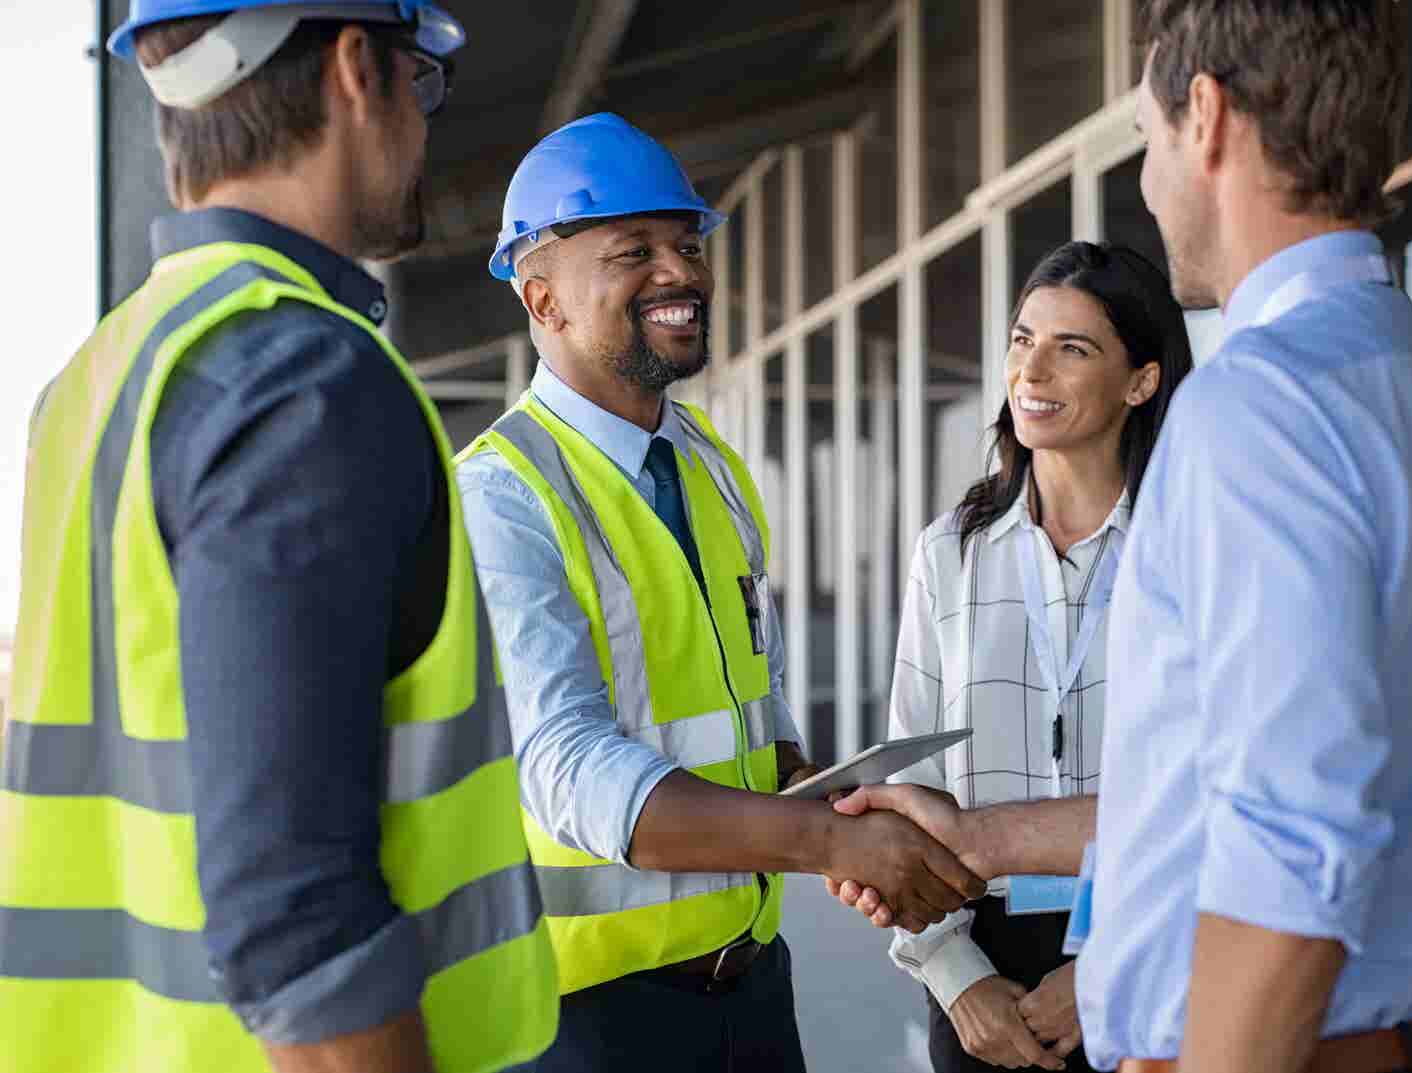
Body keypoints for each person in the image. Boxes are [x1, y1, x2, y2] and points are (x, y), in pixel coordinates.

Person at [840, 2, 1412, 1071]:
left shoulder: (1260, 408)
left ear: (1206, 116)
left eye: (1146, 138)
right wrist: (982, 840)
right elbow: (1225, 783)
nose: (1148, 179)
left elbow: (1289, 842)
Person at [0, 3, 559, 1072]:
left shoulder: (98, 374)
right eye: (420, 81)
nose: (424, 125)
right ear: (357, 68)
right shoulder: (302, 379)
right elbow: (300, 927)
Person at [455, 112, 986, 1073]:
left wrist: (830, 799)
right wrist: (824, 844)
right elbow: (569, 771)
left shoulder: (709, 466)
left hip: (750, 989)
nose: (681, 272)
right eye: (634, 251)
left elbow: (753, 707)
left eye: (687, 244)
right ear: (543, 298)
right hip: (585, 1024)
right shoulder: (501, 495)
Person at [880, 241, 1191, 1073]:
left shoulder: (1189, 548)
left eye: (1071, 348)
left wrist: (1109, 968)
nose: (1032, 370)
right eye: (1023, 340)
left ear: (1142, 381)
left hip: (1153, 954)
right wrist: (955, 976)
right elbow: (913, 782)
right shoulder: (951, 551)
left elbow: (1212, 786)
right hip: (981, 965)